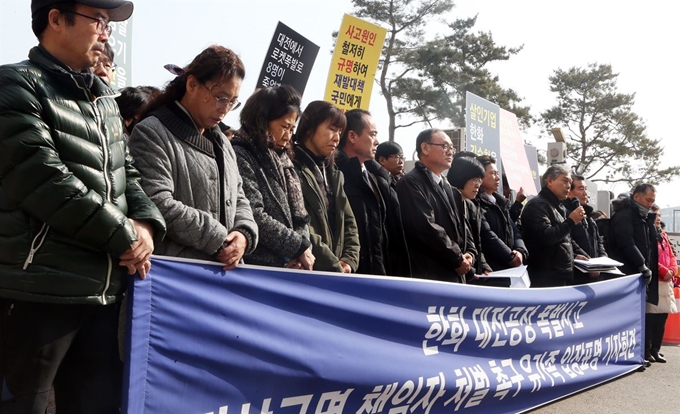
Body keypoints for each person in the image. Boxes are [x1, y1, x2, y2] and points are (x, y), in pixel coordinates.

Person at [0, 1, 167, 413]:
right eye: (98, 20)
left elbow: (129, 174)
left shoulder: (105, 100)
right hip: (41, 288)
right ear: (55, 19)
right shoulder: (16, 84)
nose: (106, 31)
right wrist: (125, 235)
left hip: (103, 291)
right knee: (30, 404)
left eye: (108, 23)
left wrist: (145, 224)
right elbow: (42, 178)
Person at [128, 45, 257, 268]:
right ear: (192, 84)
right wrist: (219, 238)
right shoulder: (153, 131)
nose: (225, 109)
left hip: (222, 274)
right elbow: (156, 201)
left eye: (232, 102)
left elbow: (239, 197)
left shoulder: (223, 143)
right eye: (220, 97)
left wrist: (243, 233)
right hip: (177, 274)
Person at [231, 85, 314, 270]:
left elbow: (300, 217)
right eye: (284, 127)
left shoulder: (285, 161)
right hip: (258, 265)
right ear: (262, 121)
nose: (288, 136)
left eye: (292, 129)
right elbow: (254, 214)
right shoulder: (241, 154)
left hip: (290, 264)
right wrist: (296, 247)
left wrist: (302, 251)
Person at [396, 129, 475, 283]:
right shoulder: (411, 183)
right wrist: (457, 257)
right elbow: (425, 227)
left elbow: (463, 229)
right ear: (425, 148)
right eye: (445, 146)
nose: (450, 152)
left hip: (454, 272)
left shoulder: (450, 189)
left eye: (452, 148)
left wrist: (469, 254)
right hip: (430, 276)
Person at [293, 101, 360, 273]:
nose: (337, 137)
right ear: (309, 127)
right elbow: (301, 223)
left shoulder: (335, 173)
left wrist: (349, 260)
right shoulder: (291, 166)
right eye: (332, 129)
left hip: (336, 270)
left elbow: (349, 221)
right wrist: (334, 265)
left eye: (340, 131)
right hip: (307, 267)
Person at [335, 109, 387, 275]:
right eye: (372, 134)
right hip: (349, 271)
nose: (377, 141)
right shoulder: (336, 174)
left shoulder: (374, 177)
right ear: (352, 136)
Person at [520, 164, 589, 287]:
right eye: (565, 181)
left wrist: (575, 255)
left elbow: (563, 240)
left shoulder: (558, 206)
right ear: (550, 181)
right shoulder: (537, 205)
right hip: (545, 277)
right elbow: (545, 237)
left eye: (570, 182)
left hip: (561, 275)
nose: (568, 186)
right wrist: (571, 221)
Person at [475, 155, 528, 286]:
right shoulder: (476, 202)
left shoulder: (501, 203)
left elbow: (514, 231)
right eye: (492, 174)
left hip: (508, 271)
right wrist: (510, 257)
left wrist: (520, 251)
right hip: (491, 271)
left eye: (497, 173)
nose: (497, 178)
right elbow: (487, 235)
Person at [446, 155, 496, 280]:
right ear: (461, 177)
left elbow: (471, 239)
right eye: (474, 179)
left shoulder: (468, 204)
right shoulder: (446, 202)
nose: (478, 185)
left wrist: (471, 256)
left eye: (480, 180)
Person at [645, 206, 678, 363]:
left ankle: (656, 349)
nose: (658, 218)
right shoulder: (647, 234)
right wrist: (663, 270)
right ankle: (647, 350)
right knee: (650, 318)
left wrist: (672, 269)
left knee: (662, 319)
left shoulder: (663, 235)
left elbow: (671, 255)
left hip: (667, 282)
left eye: (658, 215)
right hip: (655, 282)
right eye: (654, 215)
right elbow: (650, 258)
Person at [562, 174, 607, 284]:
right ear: (569, 192)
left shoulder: (589, 217)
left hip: (594, 275)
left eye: (586, 189)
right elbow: (567, 240)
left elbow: (598, 240)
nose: (585, 193)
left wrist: (603, 259)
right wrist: (588, 261)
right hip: (575, 275)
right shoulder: (564, 213)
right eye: (581, 189)